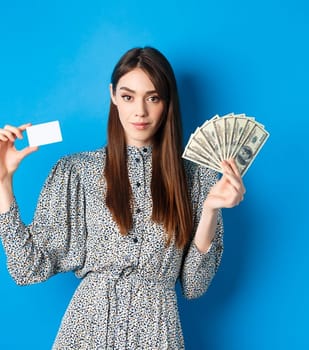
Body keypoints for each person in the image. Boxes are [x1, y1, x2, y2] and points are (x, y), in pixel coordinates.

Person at [0, 47, 244, 348]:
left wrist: (210, 211)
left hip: (158, 334)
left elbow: (195, 285)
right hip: (86, 333)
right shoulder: (77, 172)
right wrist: (3, 183)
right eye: (128, 96)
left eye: (153, 97)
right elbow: (27, 269)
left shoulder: (196, 178)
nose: (140, 111)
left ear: (167, 103)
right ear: (113, 95)